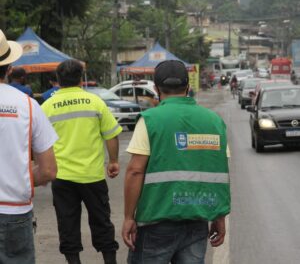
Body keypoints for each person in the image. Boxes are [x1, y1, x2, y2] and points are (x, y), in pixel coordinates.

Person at [122, 60, 231, 264]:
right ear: (188, 87)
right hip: (198, 219)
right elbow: (219, 171)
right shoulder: (214, 121)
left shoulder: (150, 119)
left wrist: (129, 217)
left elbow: (135, 171)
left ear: (156, 89)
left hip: (156, 220)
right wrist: (219, 216)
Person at [42, 59, 122, 264]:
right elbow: (111, 135)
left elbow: (40, 143)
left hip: (62, 176)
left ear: (58, 80)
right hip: (92, 175)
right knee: (101, 221)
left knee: (67, 223)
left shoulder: (48, 106)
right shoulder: (95, 102)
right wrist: (113, 161)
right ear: (81, 79)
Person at [0, 29, 57, 264]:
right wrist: (20, 177)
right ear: (10, 68)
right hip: (15, 211)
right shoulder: (28, 106)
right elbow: (48, 171)